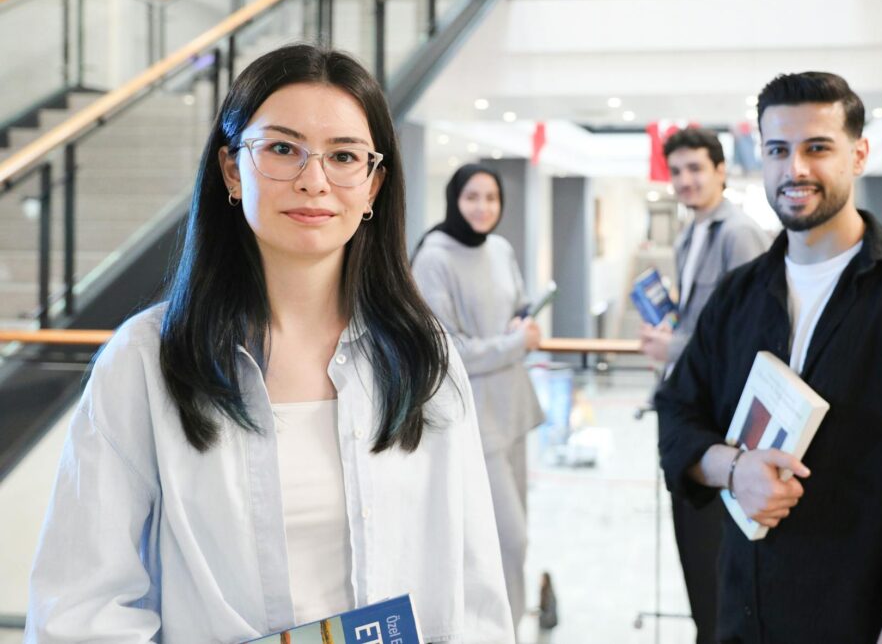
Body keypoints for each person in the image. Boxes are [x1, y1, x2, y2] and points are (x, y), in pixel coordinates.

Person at [25, 45, 514, 644]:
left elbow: (475, 590)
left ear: (373, 186)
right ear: (232, 169)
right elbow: (82, 607)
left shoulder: (421, 354)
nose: (314, 181)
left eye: (343, 156)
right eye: (282, 149)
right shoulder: (147, 361)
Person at [655, 71, 882, 643]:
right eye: (778, 150)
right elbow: (677, 415)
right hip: (744, 612)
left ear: (858, 155)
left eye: (817, 148)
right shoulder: (738, 295)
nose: (795, 169)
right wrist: (732, 469)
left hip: (855, 619)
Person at [638, 127, 769, 644]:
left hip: (725, 421)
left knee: (719, 573)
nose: (686, 181)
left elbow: (747, 331)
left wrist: (672, 348)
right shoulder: (693, 231)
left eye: (696, 169)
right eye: (677, 172)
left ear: (721, 170)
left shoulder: (738, 233)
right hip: (691, 410)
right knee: (698, 566)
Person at [412, 164, 545, 636]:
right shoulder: (434, 258)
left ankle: (514, 623)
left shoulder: (501, 248)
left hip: (512, 410)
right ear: (454, 199)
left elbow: (519, 305)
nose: (483, 207)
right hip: (474, 418)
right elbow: (447, 351)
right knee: (508, 540)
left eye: (491, 198)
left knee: (515, 541)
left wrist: (524, 321)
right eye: (472, 197)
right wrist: (515, 343)